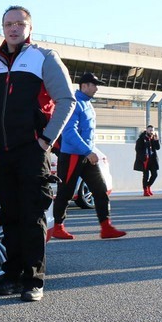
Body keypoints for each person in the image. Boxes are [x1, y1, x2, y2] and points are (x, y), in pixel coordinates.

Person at [0, 6, 75, 303]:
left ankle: (34, 280)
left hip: (32, 151)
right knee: (9, 216)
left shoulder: (44, 57)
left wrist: (46, 140)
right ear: (2, 28)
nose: (13, 28)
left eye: (19, 23)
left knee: (32, 216)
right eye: (8, 24)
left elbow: (66, 100)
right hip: (2, 152)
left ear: (29, 27)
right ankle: (11, 276)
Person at [47, 72, 125, 241]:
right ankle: (58, 227)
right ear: (84, 86)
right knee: (65, 193)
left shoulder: (88, 104)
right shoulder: (75, 103)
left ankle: (106, 227)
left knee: (100, 189)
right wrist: (87, 151)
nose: (97, 88)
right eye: (94, 85)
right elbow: (69, 133)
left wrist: (90, 151)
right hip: (73, 155)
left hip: (87, 155)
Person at [134, 125, 161, 196]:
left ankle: (148, 186)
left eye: (152, 130)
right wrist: (143, 158)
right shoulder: (141, 139)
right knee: (146, 175)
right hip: (145, 160)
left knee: (155, 174)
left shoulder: (153, 138)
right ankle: (145, 190)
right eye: (150, 130)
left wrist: (156, 140)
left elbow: (158, 148)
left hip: (153, 159)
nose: (151, 131)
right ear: (146, 130)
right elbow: (138, 150)